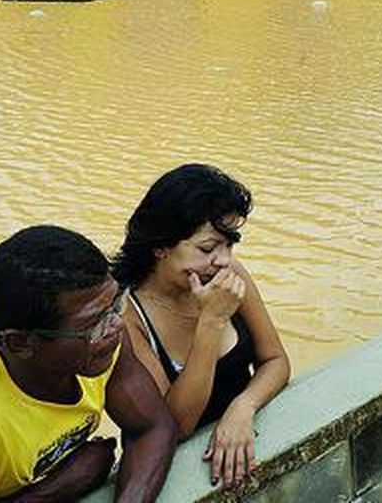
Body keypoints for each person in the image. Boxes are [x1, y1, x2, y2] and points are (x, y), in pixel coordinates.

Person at [0, 226, 178, 502]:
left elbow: (153, 428)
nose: (115, 326)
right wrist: (55, 490)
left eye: (115, 305)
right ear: (20, 343)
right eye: (94, 324)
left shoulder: (100, 342)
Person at [113, 164, 290, 490]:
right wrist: (212, 321)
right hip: (174, 477)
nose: (223, 260)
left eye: (229, 246)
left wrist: (243, 407)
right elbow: (174, 426)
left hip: (242, 448)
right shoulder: (128, 317)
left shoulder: (230, 274)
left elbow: (276, 360)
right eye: (207, 249)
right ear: (161, 246)